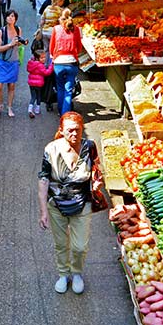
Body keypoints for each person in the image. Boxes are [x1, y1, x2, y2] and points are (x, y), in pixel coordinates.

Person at [38, 112, 101, 294]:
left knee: (79, 246)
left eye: (77, 130)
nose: (74, 134)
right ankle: (63, 274)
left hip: (82, 202)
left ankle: (77, 272)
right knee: (60, 243)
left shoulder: (89, 146)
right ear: (61, 131)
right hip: (56, 204)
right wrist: (43, 211)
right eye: (69, 131)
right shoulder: (51, 149)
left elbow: (96, 167)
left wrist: (97, 181)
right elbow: (43, 179)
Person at [0, 9, 26, 118]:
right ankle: (0, 105)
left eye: (13, 16)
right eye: (8, 16)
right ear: (5, 18)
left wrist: (22, 43)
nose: (10, 18)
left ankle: (9, 107)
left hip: (14, 61)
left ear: (15, 19)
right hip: (2, 61)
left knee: (11, 85)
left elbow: (19, 44)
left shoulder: (18, 29)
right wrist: (10, 45)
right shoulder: (1, 31)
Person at [49, 8, 82, 115]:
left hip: (58, 63)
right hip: (71, 63)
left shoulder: (56, 29)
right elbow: (79, 47)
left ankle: (60, 111)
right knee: (68, 90)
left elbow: (51, 47)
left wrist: (53, 56)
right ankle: (65, 113)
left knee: (60, 88)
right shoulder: (76, 29)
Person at [27, 46, 53, 118]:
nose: (44, 59)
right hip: (39, 84)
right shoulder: (40, 65)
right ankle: (37, 109)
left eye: (44, 57)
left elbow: (28, 70)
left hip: (31, 83)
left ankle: (30, 108)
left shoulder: (31, 63)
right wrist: (51, 66)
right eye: (42, 58)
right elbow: (46, 73)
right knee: (38, 96)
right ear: (38, 58)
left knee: (33, 96)